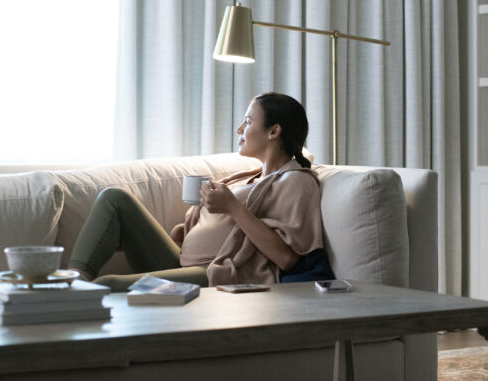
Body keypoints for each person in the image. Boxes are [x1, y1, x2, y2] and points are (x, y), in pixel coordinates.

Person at [67, 92, 333, 291]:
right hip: (181, 263)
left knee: (109, 285)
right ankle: (71, 283)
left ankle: (74, 300)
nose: (240, 130)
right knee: (114, 199)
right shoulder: (249, 177)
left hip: (218, 274)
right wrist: (186, 231)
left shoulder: (296, 181)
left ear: (274, 131)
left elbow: (287, 259)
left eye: (248, 121)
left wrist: (233, 208)